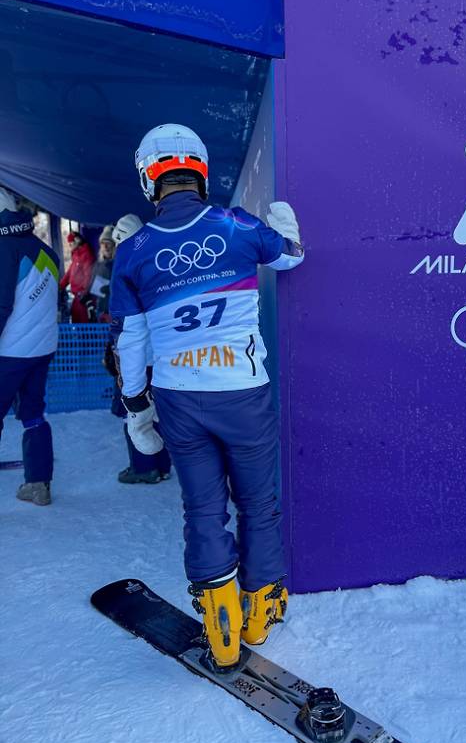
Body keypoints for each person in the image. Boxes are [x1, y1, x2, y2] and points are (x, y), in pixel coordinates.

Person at [110, 124, 304, 670]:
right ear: (199, 170)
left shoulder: (133, 251)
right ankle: (261, 615)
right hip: (243, 393)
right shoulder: (235, 224)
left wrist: (135, 408)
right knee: (258, 506)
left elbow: (130, 342)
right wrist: (288, 229)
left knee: (202, 509)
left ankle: (220, 628)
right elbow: (290, 257)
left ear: (150, 178)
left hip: (178, 399)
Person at [0, 186, 59, 506]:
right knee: (34, 414)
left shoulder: (3, 248)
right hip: (41, 348)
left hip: (9, 352)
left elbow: (1, 304)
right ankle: (39, 483)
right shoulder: (43, 249)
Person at [104, 214, 171, 484]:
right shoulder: (160, 260)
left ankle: (144, 468)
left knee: (134, 411)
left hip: (138, 356)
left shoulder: (127, 266)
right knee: (159, 412)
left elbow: (127, 323)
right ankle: (162, 466)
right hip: (162, 354)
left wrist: (114, 349)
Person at [59, 231, 94, 323]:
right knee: (76, 322)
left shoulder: (86, 254)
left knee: (84, 326)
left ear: (77, 241)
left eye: (71, 244)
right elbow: (70, 272)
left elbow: (88, 275)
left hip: (82, 298)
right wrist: (60, 286)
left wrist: (84, 293)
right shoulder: (76, 255)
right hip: (77, 297)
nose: (70, 246)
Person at [89, 225, 116, 323]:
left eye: (108, 243)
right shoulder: (98, 264)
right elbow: (92, 286)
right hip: (100, 311)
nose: (105, 247)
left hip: (114, 312)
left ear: (114, 246)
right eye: (103, 243)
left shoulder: (119, 265)